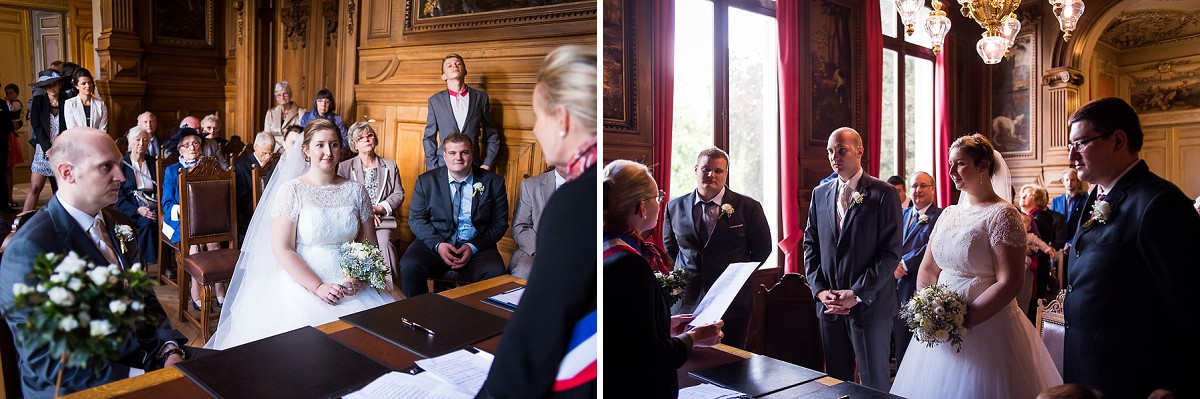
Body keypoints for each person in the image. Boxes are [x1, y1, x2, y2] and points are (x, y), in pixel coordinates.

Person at [0, 127, 187, 397]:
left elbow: (143, 299)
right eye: (106, 167)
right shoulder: (30, 250)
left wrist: (169, 348)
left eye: (120, 164)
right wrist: (141, 379)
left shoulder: (119, 222)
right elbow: (49, 359)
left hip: (142, 361)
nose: (122, 176)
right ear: (67, 173)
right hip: (76, 387)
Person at [890, 133, 1061, 398]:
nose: (951, 171)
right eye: (949, 164)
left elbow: (1010, 282)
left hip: (987, 327)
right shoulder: (948, 213)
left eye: (959, 163)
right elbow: (928, 268)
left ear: (982, 166)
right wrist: (930, 313)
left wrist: (962, 322)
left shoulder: (1003, 214)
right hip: (939, 324)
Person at [206, 118, 394, 350]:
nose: (328, 152)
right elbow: (282, 248)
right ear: (306, 150)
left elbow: (369, 246)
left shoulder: (356, 191)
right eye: (320, 145)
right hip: (303, 284)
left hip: (352, 288)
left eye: (334, 144)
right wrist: (317, 287)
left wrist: (360, 279)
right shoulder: (292, 190)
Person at [477, 45, 599, 398]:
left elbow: (534, 337)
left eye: (537, 115)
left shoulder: (576, 199)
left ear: (561, 119)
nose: (534, 128)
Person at [1063, 97, 1200, 398]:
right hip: (1085, 371)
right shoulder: (1093, 199)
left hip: (1133, 380)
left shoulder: (1159, 203)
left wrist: (1172, 387)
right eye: (1069, 145)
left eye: (1080, 143)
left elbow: (1189, 305)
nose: (1071, 155)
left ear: (1118, 140)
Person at [601, 159, 724, 398]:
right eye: (657, 197)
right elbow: (648, 357)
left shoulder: (603, 245)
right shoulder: (630, 264)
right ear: (642, 208)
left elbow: (619, 332)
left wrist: (664, 326)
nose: (661, 202)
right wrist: (694, 336)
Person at [802, 127, 901, 391]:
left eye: (841, 150)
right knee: (837, 384)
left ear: (859, 151)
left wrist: (856, 293)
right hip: (830, 307)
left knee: (873, 384)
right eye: (830, 152)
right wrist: (820, 290)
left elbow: (890, 253)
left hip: (870, 305)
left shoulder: (883, 193)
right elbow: (810, 245)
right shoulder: (819, 194)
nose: (835, 156)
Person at [662, 147, 771, 349]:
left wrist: (735, 277)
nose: (711, 175)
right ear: (696, 169)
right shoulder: (673, 207)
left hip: (732, 302)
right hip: (686, 302)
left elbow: (762, 250)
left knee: (731, 363)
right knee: (688, 363)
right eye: (706, 169)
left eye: (718, 170)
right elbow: (672, 248)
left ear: (726, 173)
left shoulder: (748, 207)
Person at [399, 132, 508, 297]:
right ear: (444, 155)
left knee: (495, 271)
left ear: (472, 154)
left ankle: (479, 318)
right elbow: (416, 219)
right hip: (436, 241)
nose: (459, 157)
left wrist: (473, 247)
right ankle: (418, 313)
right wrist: (438, 244)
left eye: (464, 152)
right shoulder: (426, 181)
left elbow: (499, 223)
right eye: (452, 153)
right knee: (409, 265)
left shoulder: (493, 182)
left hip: (477, 244)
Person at [160, 127, 226, 310]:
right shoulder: (173, 171)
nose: (192, 147)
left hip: (207, 219)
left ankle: (219, 287)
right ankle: (195, 289)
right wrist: (184, 210)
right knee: (195, 245)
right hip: (179, 219)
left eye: (196, 143)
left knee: (214, 243)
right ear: (179, 149)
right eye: (187, 145)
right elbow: (167, 203)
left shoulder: (210, 166)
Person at [337, 122, 403, 295]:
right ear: (354, 144)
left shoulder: (390, 165)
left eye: (370, 136)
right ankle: (362, 292)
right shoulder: (345, 167)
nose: (366, 139)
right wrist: (364, 213)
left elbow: (398, 194)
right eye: (361, 138)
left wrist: (380, 208)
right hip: (356, 222)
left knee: (384, 242)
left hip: (382, 222)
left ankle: (392, 292)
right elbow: (342, 196)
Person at [891, 171, 941, 367]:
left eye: (923, 186)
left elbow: (933, 246)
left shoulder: (939, 216)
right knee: (900, 347)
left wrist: (904, 264)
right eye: (914, 186)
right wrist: (892, 264)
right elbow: (890, 242)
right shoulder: (900, 214)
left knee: (920, 348)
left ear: (933, 190)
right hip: (893, 290)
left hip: (919, 290)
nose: (918, 190)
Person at [423, 54, 500, 171]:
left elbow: (492, 135)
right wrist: (432, 167)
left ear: (465, 71)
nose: (454, 66)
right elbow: (429, 137)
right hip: (442, 166)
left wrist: (487, 163)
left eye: (458, 64)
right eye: (449, 65)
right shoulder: (435, 101)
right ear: (443, 76)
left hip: (473, 165)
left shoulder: (481, 98)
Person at [507, 165, 566, 279]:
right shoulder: (530, 185)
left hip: (573, 252)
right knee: (526, 271)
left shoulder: (592, 187)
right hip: (535, 250)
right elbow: (520, 226)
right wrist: (545, 249)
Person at [1017, 183, 1064, 318]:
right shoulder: (1021, 217)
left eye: (1029, 194)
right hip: (1023, 265)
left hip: (1034, 269)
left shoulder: (1040, 218)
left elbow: (1036, 246)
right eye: (1023, 194)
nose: (1024, 196)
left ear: (1037, 199)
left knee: (1028, 307)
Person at [23, 69, 67, 213]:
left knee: (61, 191)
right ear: (44, 88)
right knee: (35, 188)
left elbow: (70, 126)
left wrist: (58, 147)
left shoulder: (67, 102)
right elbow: (36, 126)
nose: (51, 87)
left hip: (62, 150)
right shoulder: (38, 101)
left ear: (59, 84)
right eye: (48, 85)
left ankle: (62, 223)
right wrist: (48, 147)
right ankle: (21, 223)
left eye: (54, 84)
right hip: (44, 150)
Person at [116, 126, 158, 266]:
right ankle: (143, 264)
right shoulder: (122, 165)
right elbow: (119, 196)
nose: (141, 143)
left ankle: (166, 263)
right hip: (132, 208)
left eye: (145, 140)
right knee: (147, 223)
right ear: (129, 142)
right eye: (138, 140)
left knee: (166, 222)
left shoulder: (154, 163)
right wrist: (138, 210)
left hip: (154, 205)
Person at [233, 131, 277, 244]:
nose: (267, 158)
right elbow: (242, 200)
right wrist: (262, 213)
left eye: (271, 154)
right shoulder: (240, 166)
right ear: (255, 147)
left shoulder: (275, 165)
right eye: (264, 153)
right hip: (250, 216)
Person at [263, 81, 306, 151]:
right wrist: (278, 148)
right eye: (279, 95)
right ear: (276, 97)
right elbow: (267, 135)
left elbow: (301, 135)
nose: (282, 97)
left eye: (285, 94)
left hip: (293, 149)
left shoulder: (301, 112)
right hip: (273, 150)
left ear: (290, 95)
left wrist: (287, 147)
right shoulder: (270, 113)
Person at [1049, 168, 1087, 242]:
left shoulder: (1085, 201)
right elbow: (1051, 223)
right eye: (1067, 180)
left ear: (1078, 182)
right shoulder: (1056, 201)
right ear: (1063, 182)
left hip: (1076, 242)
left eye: (1072, 180)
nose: (1069, 183)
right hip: (1058, 243)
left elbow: (1085, 224)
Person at [5, 83, 21, 211]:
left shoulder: (16, 103)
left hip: (10, 135)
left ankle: (9, 197)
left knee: (9, 167)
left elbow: (11, 111)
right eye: (7, 93)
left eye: (11, 93)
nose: (8, 96)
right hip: (7, 134)